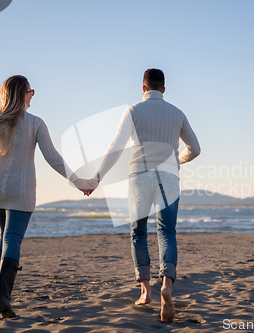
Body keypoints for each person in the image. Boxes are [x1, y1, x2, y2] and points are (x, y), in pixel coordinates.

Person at [0, 75, 93, 318]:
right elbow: (52, 157)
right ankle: (3, 295)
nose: (33, 95)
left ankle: (1, 292)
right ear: (21, 94)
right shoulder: (35, 123)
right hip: (20, 190)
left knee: (3, 234)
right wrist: (77, 182)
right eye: (30, 91)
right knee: (12, 237)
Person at [86, 68, 200, 322]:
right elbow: (196, 149)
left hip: (139, 176)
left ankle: (146, 291)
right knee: (166, 232)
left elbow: (115, 147)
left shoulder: (133, 111)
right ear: (164, 89)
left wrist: (97, 177)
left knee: (138, 232)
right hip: (169, 178)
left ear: (143, 88)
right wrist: (176, 160)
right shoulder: (177, 113)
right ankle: (167, 286)